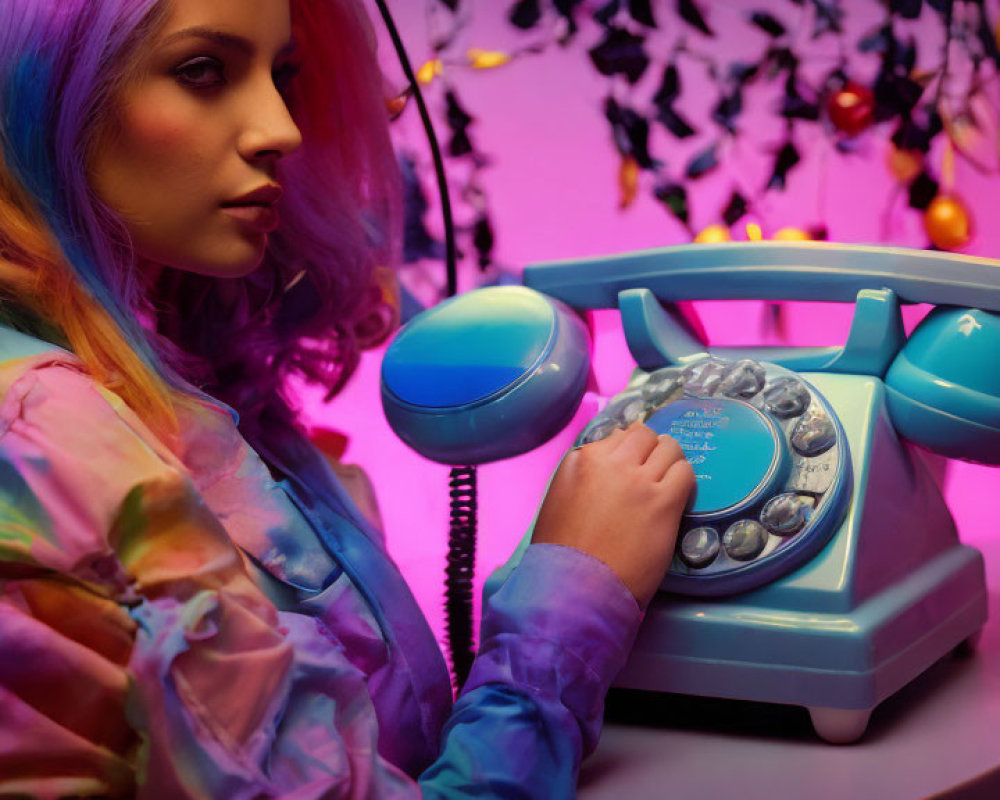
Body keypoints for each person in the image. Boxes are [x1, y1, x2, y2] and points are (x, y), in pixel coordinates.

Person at [0, 0, 695, 796]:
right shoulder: (45, 442)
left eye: (286, 76)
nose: (282, 129)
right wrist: (571, 600)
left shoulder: (176, 377)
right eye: (202, 71)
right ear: (35, 91)